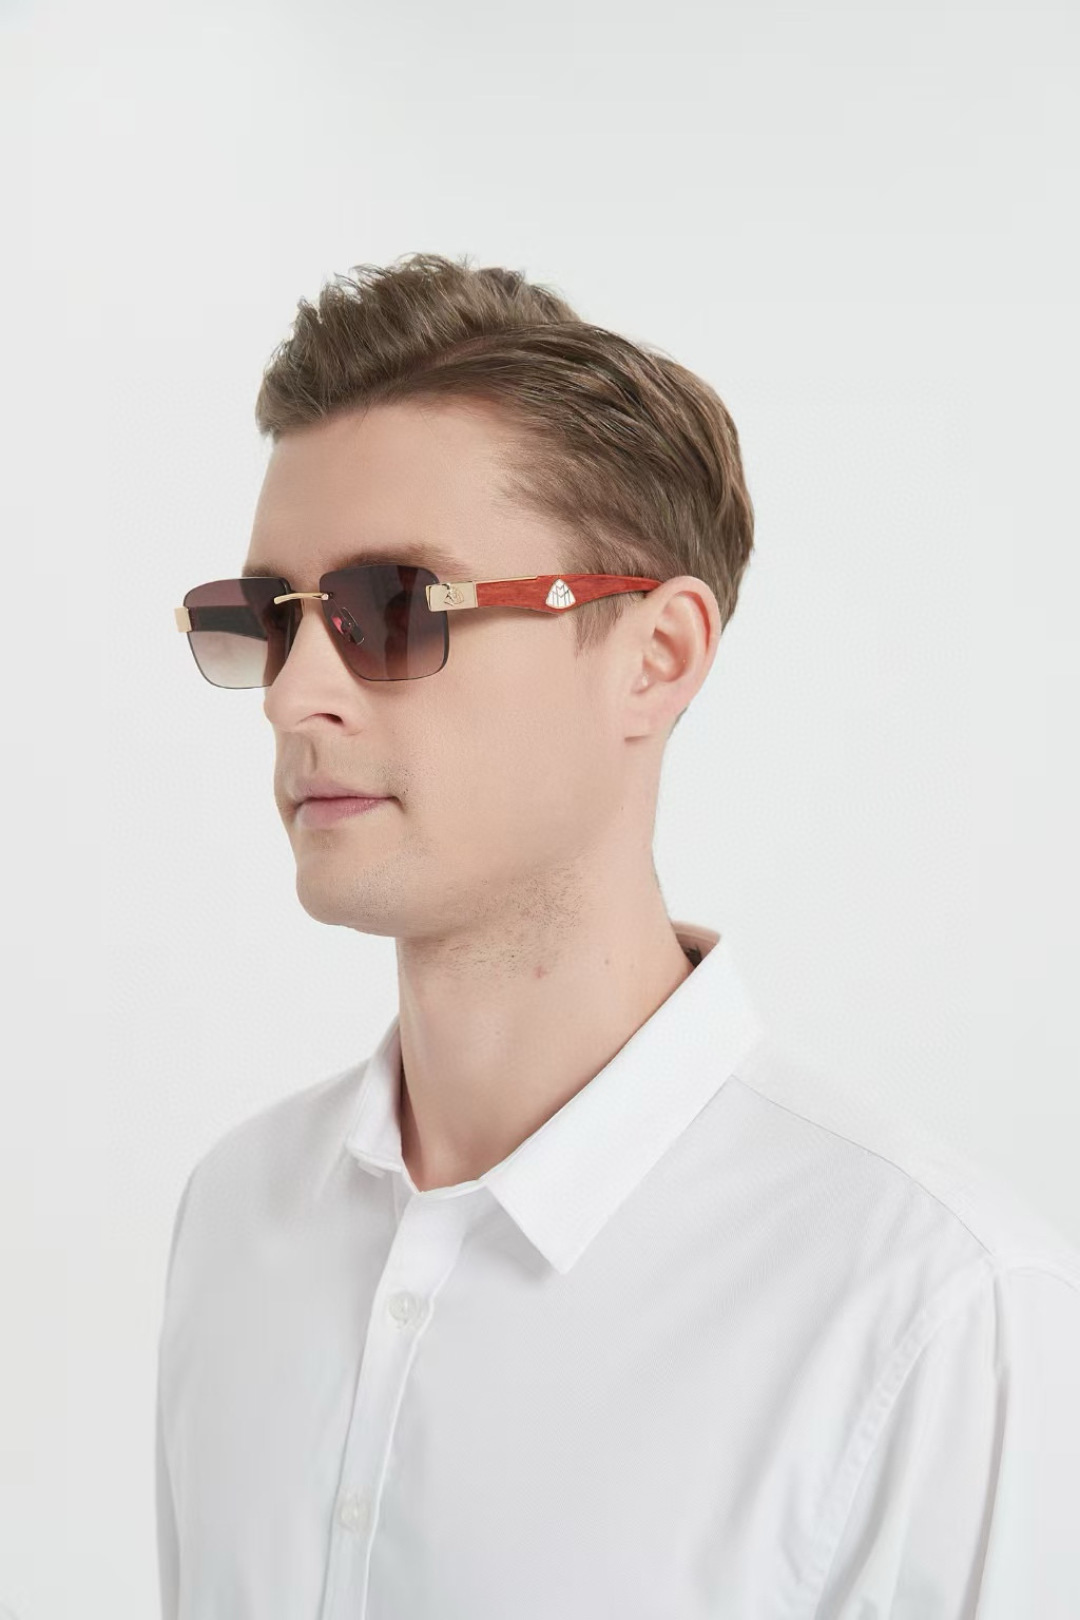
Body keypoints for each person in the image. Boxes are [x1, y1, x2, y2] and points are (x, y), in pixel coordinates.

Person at [157, 252, 1080, 1619]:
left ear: (656, 657)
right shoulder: (238, 1217)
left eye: (392, 611)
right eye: (267, 622)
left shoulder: (934, 1313)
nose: (296, 696)